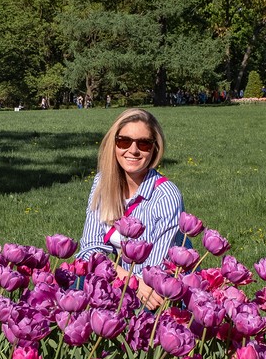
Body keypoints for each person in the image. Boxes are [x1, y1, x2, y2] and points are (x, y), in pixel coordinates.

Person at [77, 108, 186, 309]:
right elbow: (89, 250)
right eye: (124, 141)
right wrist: (125, 278)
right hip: (126, 279)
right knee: (77, 284)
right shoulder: (103, 182)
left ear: (154, 149)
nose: (133, 150)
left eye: (143, 143)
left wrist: (125, 281)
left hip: (159, 288)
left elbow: (155, 271)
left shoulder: (166, 195)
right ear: (114, 144)